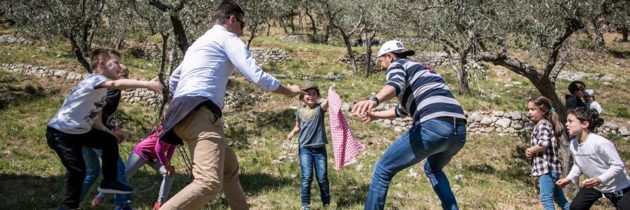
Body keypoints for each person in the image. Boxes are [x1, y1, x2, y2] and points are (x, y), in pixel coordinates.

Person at [159, 1, 303, 209]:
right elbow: (257, 76)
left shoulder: (200, 42)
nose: (242, 31)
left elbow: (174, 79)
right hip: (201, 113)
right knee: (208, 183)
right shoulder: (227, 38)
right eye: (242, 25)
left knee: (229, 168)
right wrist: (289, 91)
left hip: (180, 114)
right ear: (232, 19)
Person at [352, 40, 467, 210]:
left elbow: (395, 85)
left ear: (390, 56)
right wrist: (376, 116)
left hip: (433, 126)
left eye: (380, 60)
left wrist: (374, 100)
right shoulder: (424, 71)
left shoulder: (397, 65)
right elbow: (402, 111)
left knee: (382, 170)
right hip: (459, 132)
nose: (381, 66)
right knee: (433, 168)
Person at [46, 48, 162, 210]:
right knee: (78, 170)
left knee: (108, 141)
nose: (120, 68)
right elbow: (116, 83)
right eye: (115, 63)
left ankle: (109, 181)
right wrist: (146, 84)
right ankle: (69, 206)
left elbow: (96, 120)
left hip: (80, 132)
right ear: (101, 63)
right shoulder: (94, 80)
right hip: (61, 133)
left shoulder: (101, 92)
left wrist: (110, 133)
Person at [556, 108, 630, 210]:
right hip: (594, 185)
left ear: (585, 124)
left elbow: (618, 165)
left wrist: (600, 179)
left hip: (618, 187)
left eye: (570, 121)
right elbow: (578, 164)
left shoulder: (600, 143)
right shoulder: (573, 144)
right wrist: (568, 178)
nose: (566, 124)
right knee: (576, 207)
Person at [81, 64, 133, 210]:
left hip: (83, 134)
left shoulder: (109, 90)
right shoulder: (111, 92)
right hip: (95, 135)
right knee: (118, 169)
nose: (127, 79)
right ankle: (122, 206)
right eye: (124, 75)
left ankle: (70, 204)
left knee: (92, 172)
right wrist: (109, 133)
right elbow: (95, 112)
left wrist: (114, 128)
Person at [287, 82, 330, 210]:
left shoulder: (320, 108)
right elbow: (297, 127)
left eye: (314, 94)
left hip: (320, 149)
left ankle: (326, 204)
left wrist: (331, 92)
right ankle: (305, 205)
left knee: (322, 178)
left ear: (317, 96)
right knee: (307, 177)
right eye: (307, 94)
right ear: (302, 97)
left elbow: (327, 103)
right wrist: (292, 133)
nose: (311, 96)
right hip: (305, 148)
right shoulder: (299, 112)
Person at [525, 97, 569, 210]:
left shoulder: (543, 124)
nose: (529, 112)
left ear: (543, 111)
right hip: (550, 169)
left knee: (546, 199)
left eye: (532, 109)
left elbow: (543, 144)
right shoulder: (542, 124)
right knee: (560, 199)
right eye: (528, 109)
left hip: (547, 169)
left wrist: (531, 150)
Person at [126, 124, 176, 210]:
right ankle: (102, 196)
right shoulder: (166, 128)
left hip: (154, 157)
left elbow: (172, 146)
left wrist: (168, 162)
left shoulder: (177, 130)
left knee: (169, 174)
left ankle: (159, 205)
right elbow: (158, 148)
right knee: (123, 176)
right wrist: (166, 165)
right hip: (142, 152)